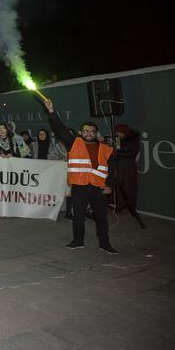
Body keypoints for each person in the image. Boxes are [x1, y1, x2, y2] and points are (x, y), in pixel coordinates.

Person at [43, 99, 118, 254]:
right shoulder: (73, 143)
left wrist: (109, 185)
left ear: (96, 133)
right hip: (80, 187)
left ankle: (105, 243)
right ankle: (78, 241)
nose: (88, 133)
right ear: (80, 132)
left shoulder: (105, 148)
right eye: (85, 131)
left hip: (99, 188)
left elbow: (111, 169)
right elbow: (60, 129)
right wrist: (51, 112)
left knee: (101, 218)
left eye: (91, 131)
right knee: (78, 216)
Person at [109, 123, 145, 228]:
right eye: (116, 133)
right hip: (118, 167)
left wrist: (117, 153)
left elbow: (132, 153)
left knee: (128, 188)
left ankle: (129, 208)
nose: (118, 134)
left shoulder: (133, 140)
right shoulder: (117, 140)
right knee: (118, 187)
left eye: (119, 133)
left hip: (128, 168)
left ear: (124, 132)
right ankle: (118, 207)